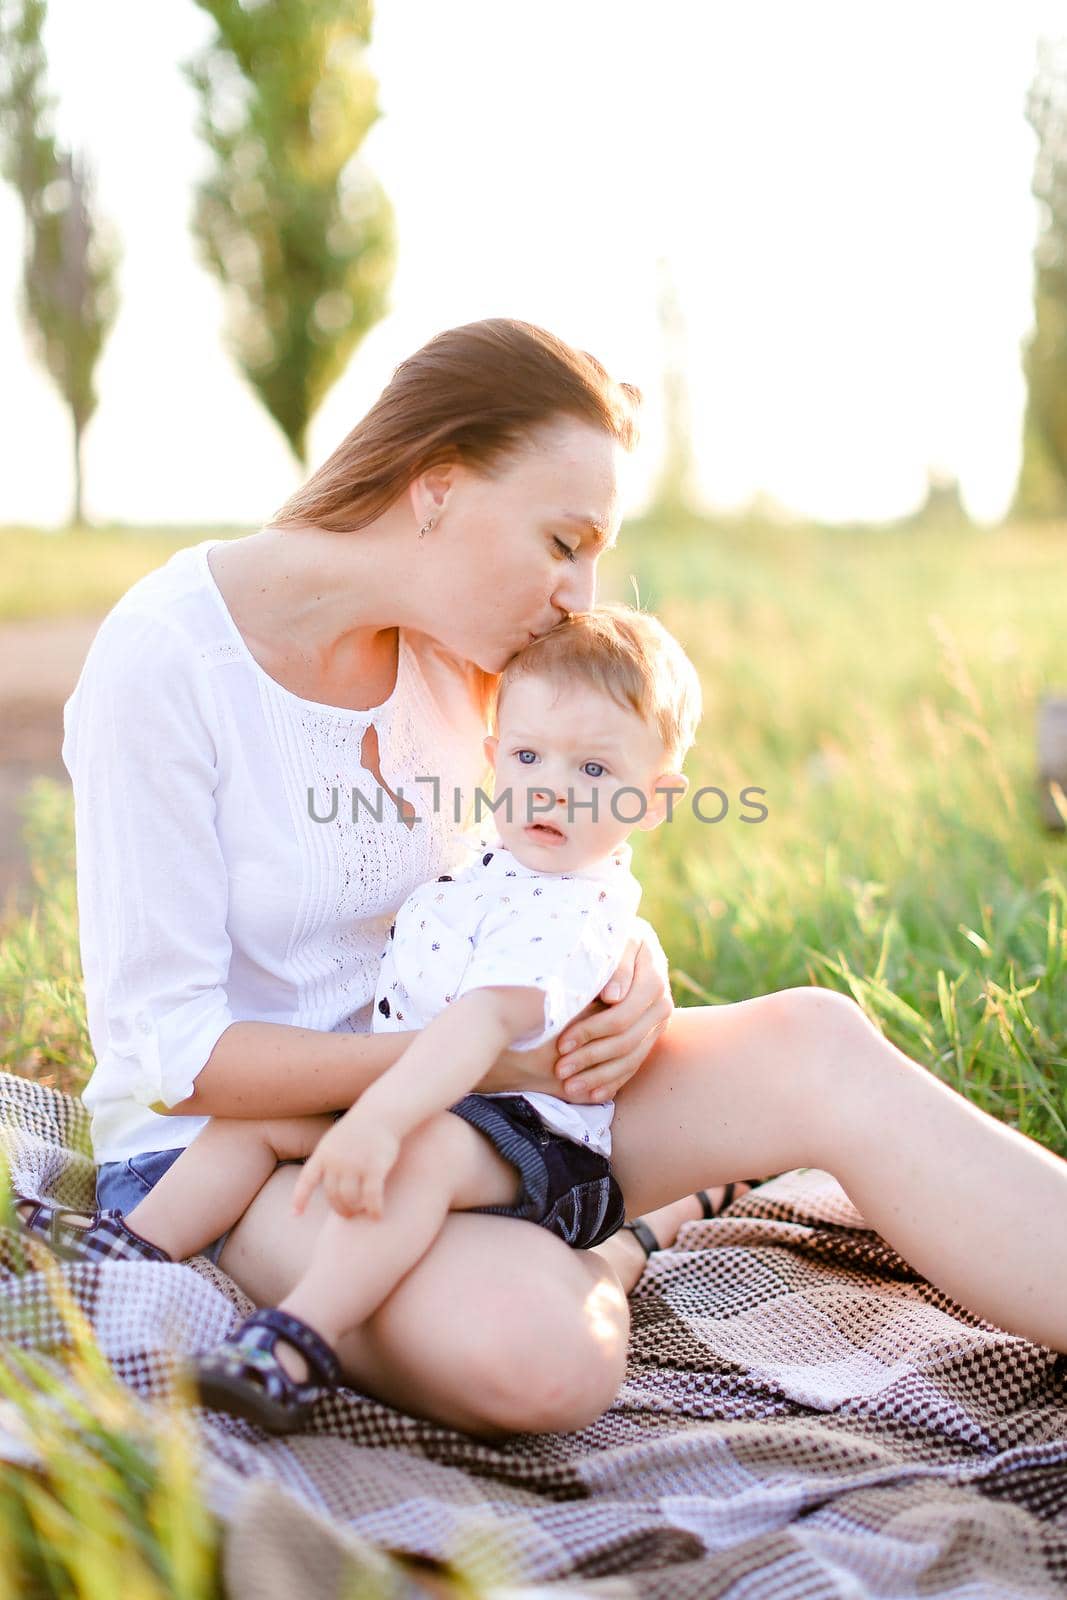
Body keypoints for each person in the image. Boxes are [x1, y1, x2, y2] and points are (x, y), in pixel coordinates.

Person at [22, 318, 1067, 1440]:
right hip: (232, 1146)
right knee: (541, 1357)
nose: (580, 591)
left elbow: (546, 864)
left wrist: (631, 965)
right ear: (437, 489)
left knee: (815, 1043)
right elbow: (172, 1057)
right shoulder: (168, 662)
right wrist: (446, 1063)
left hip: (483, 1092)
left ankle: (599, 1226)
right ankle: (617, 1246)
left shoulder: (461, 655)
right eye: (563, 541)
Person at [21, 604, 709, 1432]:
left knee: (409, 1161)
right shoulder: (502, 866)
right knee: (254, 1128)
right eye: (528, 755)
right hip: (441, 1100)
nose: (552, 787)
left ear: (654, 800)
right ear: (493, 760)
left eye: (595, 772)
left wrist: (379, 1120)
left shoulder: (568, 909)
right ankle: (121, 1253)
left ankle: (296, 1341)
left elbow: (481, 1024)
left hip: (532, 1138)